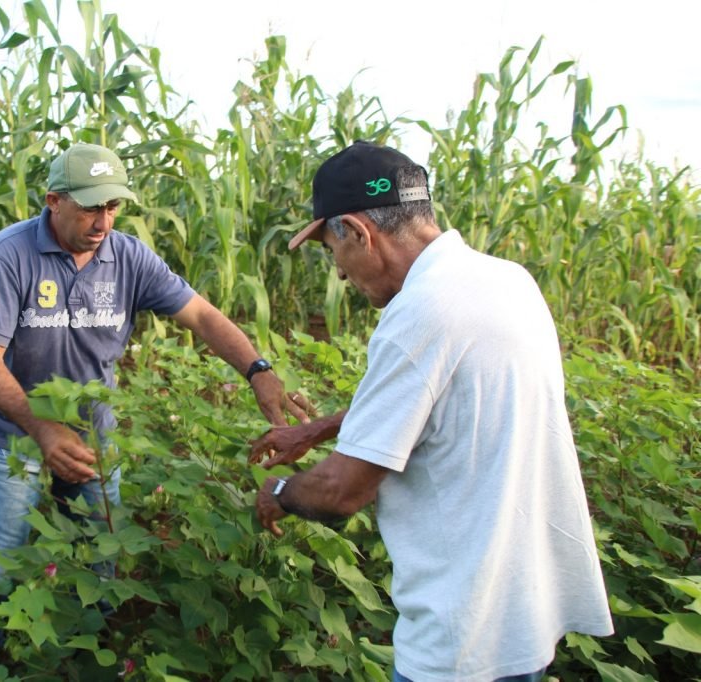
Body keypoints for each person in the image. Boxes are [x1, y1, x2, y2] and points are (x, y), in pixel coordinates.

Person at [252, 140, 613, 681]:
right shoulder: (508, 280)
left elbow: (340, 493)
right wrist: (323, 428)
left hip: (460, 639)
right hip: (522, 616)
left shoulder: (419, 314)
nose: (342, 275)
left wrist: (278, 493)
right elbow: (452, 401)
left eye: (332, 251)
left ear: (357, 230)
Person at [0, 142, 309, 673]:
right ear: (53, 200)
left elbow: (203, 316)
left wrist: (258, 371)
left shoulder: (128, 256)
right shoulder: (8, 256)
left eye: (113, 206)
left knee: (103, 551)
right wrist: (42, 428)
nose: (103, 221)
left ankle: (92, 649)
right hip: (16, 436)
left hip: (95, 435)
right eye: (91, 207)